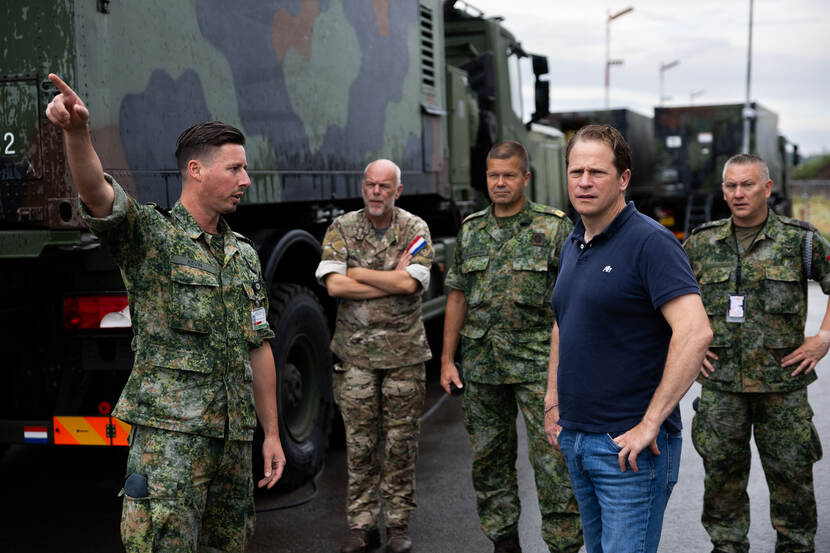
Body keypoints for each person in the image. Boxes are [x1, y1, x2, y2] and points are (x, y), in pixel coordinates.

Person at [44, 73, 285, 552]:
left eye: (245, 169)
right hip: (170, 446)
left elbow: (259, 346)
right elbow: (98, 195)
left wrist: (271, 433)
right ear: (196, 170)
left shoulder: (243, 254)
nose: (246, 180)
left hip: (233, 444)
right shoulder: (153, 238)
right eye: (235, 169)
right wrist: (76, 133)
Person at [545, 124, 712, 553]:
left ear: (623, 179)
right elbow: (564, 322)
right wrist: (552, 403)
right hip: (578, 439)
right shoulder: (574, 243)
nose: (584, 181)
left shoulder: (651, 243)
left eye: (597, 172)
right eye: (576, 171)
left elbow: (695, 332)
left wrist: (650, 423)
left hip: (628, 450)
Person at [441, 141, 583, 553]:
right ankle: (504, 541)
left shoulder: (554, 228)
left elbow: (573, 299)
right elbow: (457, 296)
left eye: (509, 175)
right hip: (483, 367)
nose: (500, 183)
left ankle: (563, 545)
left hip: (540, 366)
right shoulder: (471, 230)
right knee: (489, 460)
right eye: (493, 176)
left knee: (553, 462)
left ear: (526, 178)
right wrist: (448, 360)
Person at [683, 153, 829, 553]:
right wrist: (687, 348)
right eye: (730, 185)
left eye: (747, 184)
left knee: (792, 479)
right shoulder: (701, 242)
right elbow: (669, 299)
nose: (737, 193)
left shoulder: (801, 240)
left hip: (783, 385)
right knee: (721, 480)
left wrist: (824, 336)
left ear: (767, 188)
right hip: (721, 386)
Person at [315, 159, 432, 553]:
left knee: (401, 445)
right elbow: (333, 287)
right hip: (356, 356)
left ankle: (398, 526)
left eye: (384, 186)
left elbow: (412, 281)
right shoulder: (342, 228)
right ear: (362, 187)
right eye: (370, 185)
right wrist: (391, 282)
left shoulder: (415, 228)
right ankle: (361, 527)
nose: (376, 192)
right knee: (360, 445)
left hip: (404, 356)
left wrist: (359, 273)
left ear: (397, 191)